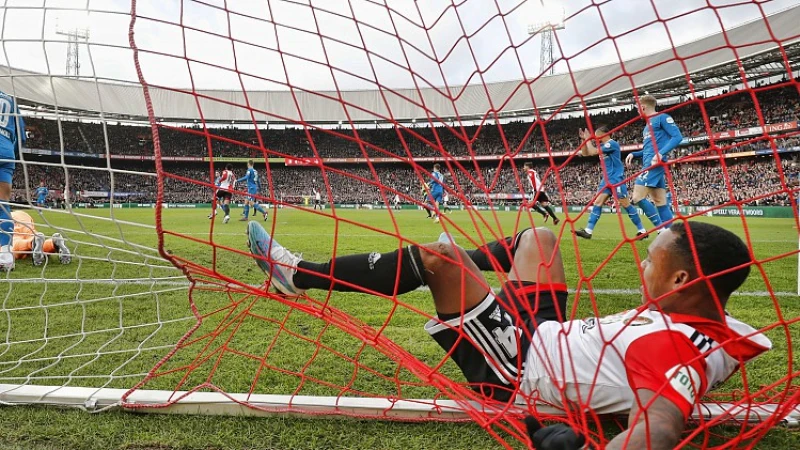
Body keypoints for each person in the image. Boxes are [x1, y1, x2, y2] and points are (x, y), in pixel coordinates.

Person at [247, 220, 770, 449]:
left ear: (682, 281)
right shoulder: (708, 322)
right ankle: (467, 276)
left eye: (651, 259)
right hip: (549, 332)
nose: (641, 263)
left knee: (440, 258)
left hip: (521, 366)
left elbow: (658, 426)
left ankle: (299, 275)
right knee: (538, 238)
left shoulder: (672, 347)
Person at [574, 125, 647, 239]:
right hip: (606, 180)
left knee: (626, 205)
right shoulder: (602, 145)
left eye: (598, 135)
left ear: (606, 134)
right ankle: (588, 231)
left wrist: (588, 140)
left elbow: (592, 151)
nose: (596, 138)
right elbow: (585, 153)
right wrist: (584, 140)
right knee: (597, 202)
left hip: (616, 179)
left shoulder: (611, 144)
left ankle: (642, 230)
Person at [625, 95, 683, 231]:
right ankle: (672, 237)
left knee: (637, 197)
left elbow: (678, 137)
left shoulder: (662, 118)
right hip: (650, 163)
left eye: (637, 108)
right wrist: (634, 154)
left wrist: (661, 153)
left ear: (643, 107)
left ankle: (661, 231)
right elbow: (648, 149)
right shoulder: (647, 126)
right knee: (660, 202)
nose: (637, 111)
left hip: (654, 165)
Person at [0, 89, 25, 271]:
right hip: (6, 150)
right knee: (2, 203)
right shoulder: (10, 99)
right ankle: (5, 255)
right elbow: (21, 137)